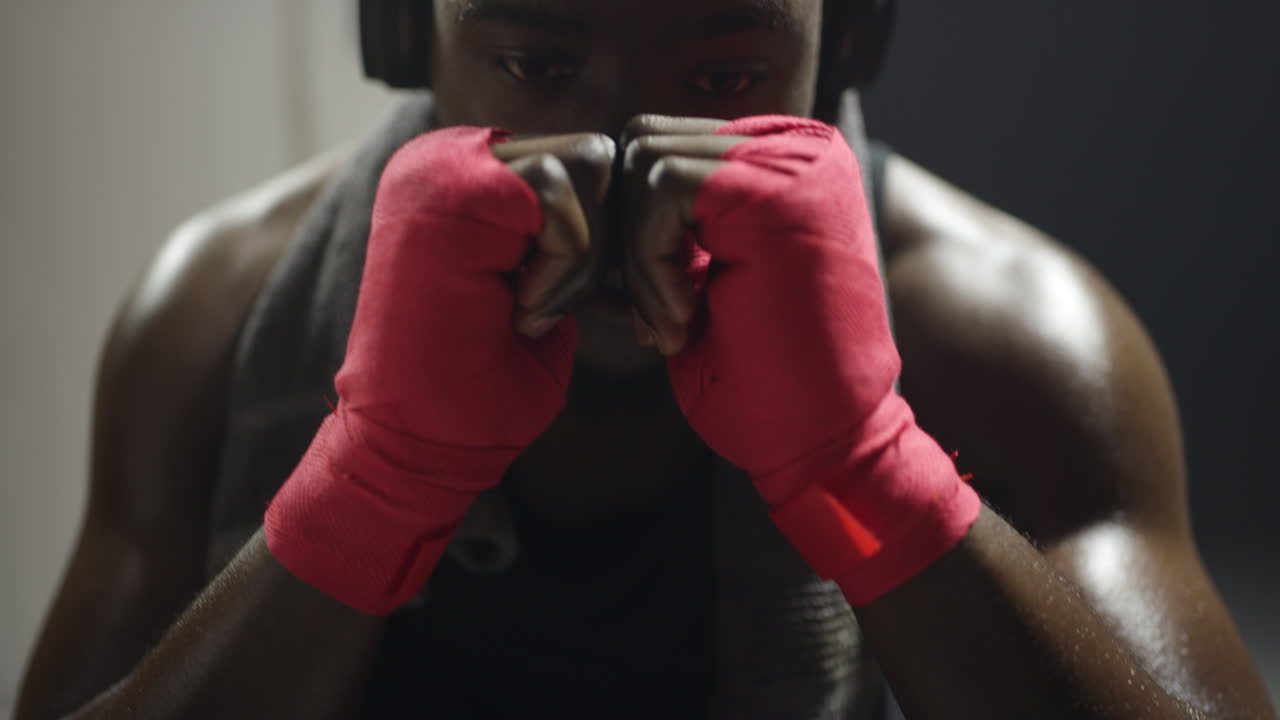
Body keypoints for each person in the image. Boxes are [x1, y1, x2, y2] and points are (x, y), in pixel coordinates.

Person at [15, 0, 1277, 718]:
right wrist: (370, 485)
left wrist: (869, 472)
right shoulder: (222, 314)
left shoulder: (1009, 338)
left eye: (723, 70)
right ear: (407, 29)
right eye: (536, 64)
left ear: (842, 39)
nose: (619, 161)